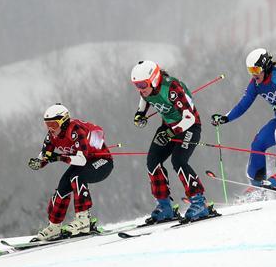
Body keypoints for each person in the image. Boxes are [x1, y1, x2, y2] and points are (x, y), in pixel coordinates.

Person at [211, 48, 276, 193]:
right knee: (258, 143)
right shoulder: (256, 84)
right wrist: (225, 118)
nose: (253, 74)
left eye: (256, 69)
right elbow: (243, 105)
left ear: (265, 66)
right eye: (250, 70)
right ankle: (258, 187)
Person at [131, 60, 210, 222]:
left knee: (179, 160)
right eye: (136, 85)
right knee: (152, 161)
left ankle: (199, 202)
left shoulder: (171, 88)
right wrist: (140, 114)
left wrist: (169, 132)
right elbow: (145, 99)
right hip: (169, 127)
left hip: (189, 127)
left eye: (142, 84)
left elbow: (189, 118)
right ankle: (165, 206)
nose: (140, 89)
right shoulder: (147, 90)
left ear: (153, 79)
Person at [27, 104, 113, 241]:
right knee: (63, 185)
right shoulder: (51, 136)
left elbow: (82, 160)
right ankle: (54, 226)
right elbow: (45, 154)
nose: (50, 129)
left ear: (64, 121)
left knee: (77, 177)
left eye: (53, 124)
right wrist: (39, 162)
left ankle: (83, 220)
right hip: (81, 163)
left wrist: (58, 157)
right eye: (47, 124)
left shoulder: (76, 131)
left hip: (102, 161)